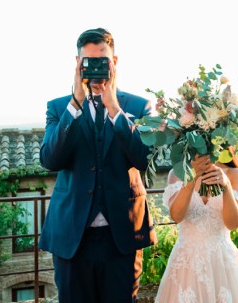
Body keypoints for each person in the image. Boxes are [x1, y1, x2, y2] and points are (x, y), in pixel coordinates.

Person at [38, 28, 157, 303]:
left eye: (102, 60)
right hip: (72, 238)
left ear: (115, 62)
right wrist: (76, 103)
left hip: (123, 235)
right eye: (87, 61)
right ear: (77, 64)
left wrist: (114, 108)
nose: (95, 67)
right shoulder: (59, 108)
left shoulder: (139, 107)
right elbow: (50, 160)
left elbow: (145, 159)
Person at [155, 151, 238, 303]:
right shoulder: (177, 173)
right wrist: (192, 177)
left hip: (222, 262)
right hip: (186, 265)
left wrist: (226, 186)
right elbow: (177, 216)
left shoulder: (236, 174)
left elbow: (232, 224)